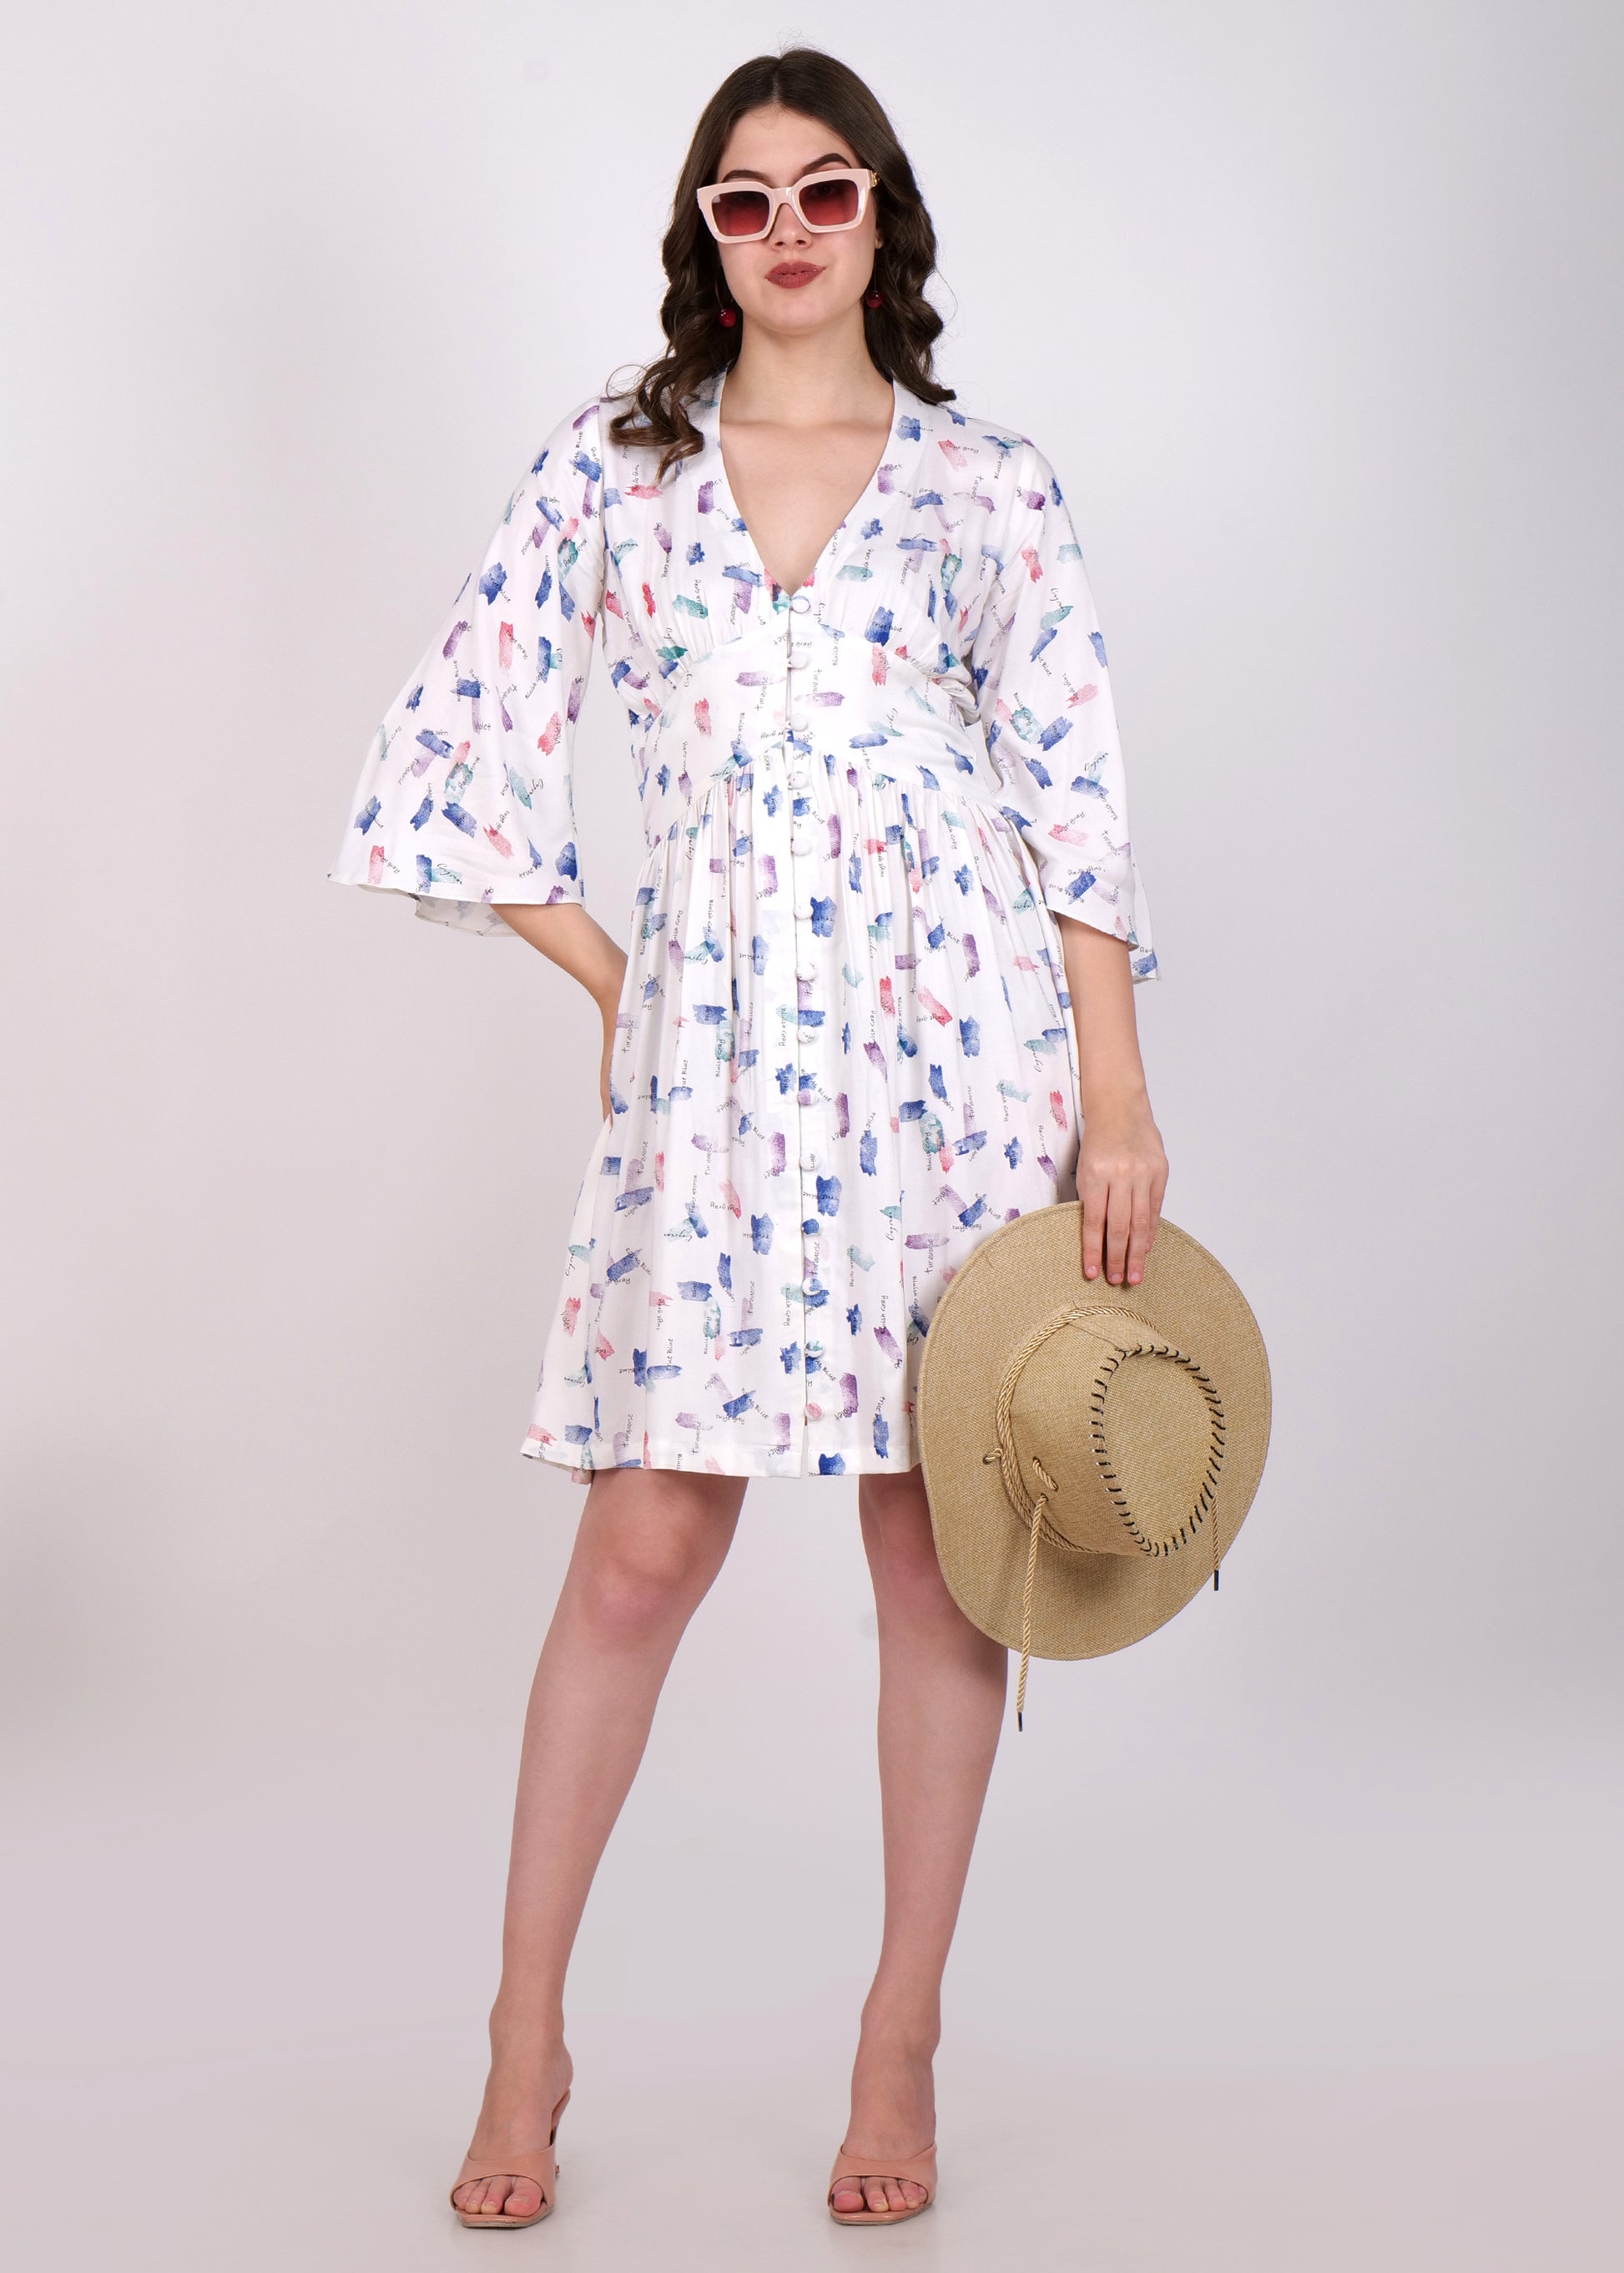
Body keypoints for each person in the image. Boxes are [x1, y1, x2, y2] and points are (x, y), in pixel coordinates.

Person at [330, 43, 1168, 2229]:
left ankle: (901, 2029)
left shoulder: (990, 489)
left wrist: (1112, 1100)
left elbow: (1072, 804)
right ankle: (526, 2025)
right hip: (708, 1095)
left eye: (824, 192)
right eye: (741, 200)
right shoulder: (614, 476)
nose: (786, 230)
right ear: (700, 238)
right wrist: (617, 978)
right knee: (640, 1546)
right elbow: (446, 757)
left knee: (933, 1548)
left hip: (951, 1069)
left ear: (882, 216)